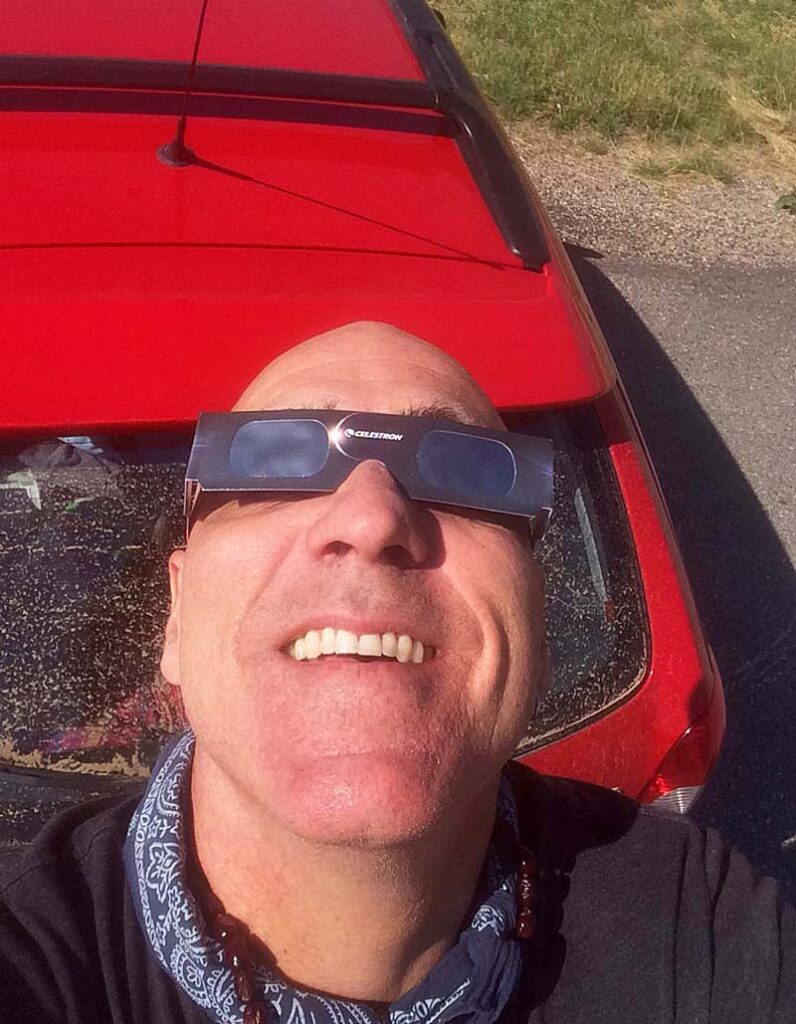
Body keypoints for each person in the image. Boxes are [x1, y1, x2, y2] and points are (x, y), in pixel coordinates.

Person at [0, 321, 793, 1023]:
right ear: (176, 615)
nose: (372, 517)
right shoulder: (32, 958)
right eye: (276, 463)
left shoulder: (701, 924)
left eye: (466, 473)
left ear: (539, 623)